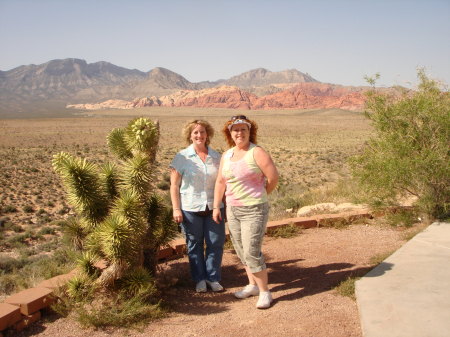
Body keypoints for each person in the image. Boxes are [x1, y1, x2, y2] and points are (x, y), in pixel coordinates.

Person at [212, 115, 278, 309]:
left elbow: (273, 177)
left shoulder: (256, 152)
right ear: (229, 133)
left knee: (252, 251)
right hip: (233, 209)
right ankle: (252, 285)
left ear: (250, 132)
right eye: (235, 129)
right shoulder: (227, 155)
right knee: (241, 250)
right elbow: (220, 182)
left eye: (243, 129)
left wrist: (260, 194)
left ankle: (265, 291)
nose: (239, 133)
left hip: (254, 208)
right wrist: (217, 205)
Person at [170, 119, 226, 293]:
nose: (199, 135)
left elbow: (222, 182)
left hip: (214, 207)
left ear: (207, 134)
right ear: (190, 135)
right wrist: (176, 208)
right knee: (194, 244)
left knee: (215, 243)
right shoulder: (182, 157)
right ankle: (199, 279)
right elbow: (174, 185)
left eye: (202, 132)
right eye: (195, 132)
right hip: (190, 208)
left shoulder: (217, 157)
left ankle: (213, 278)